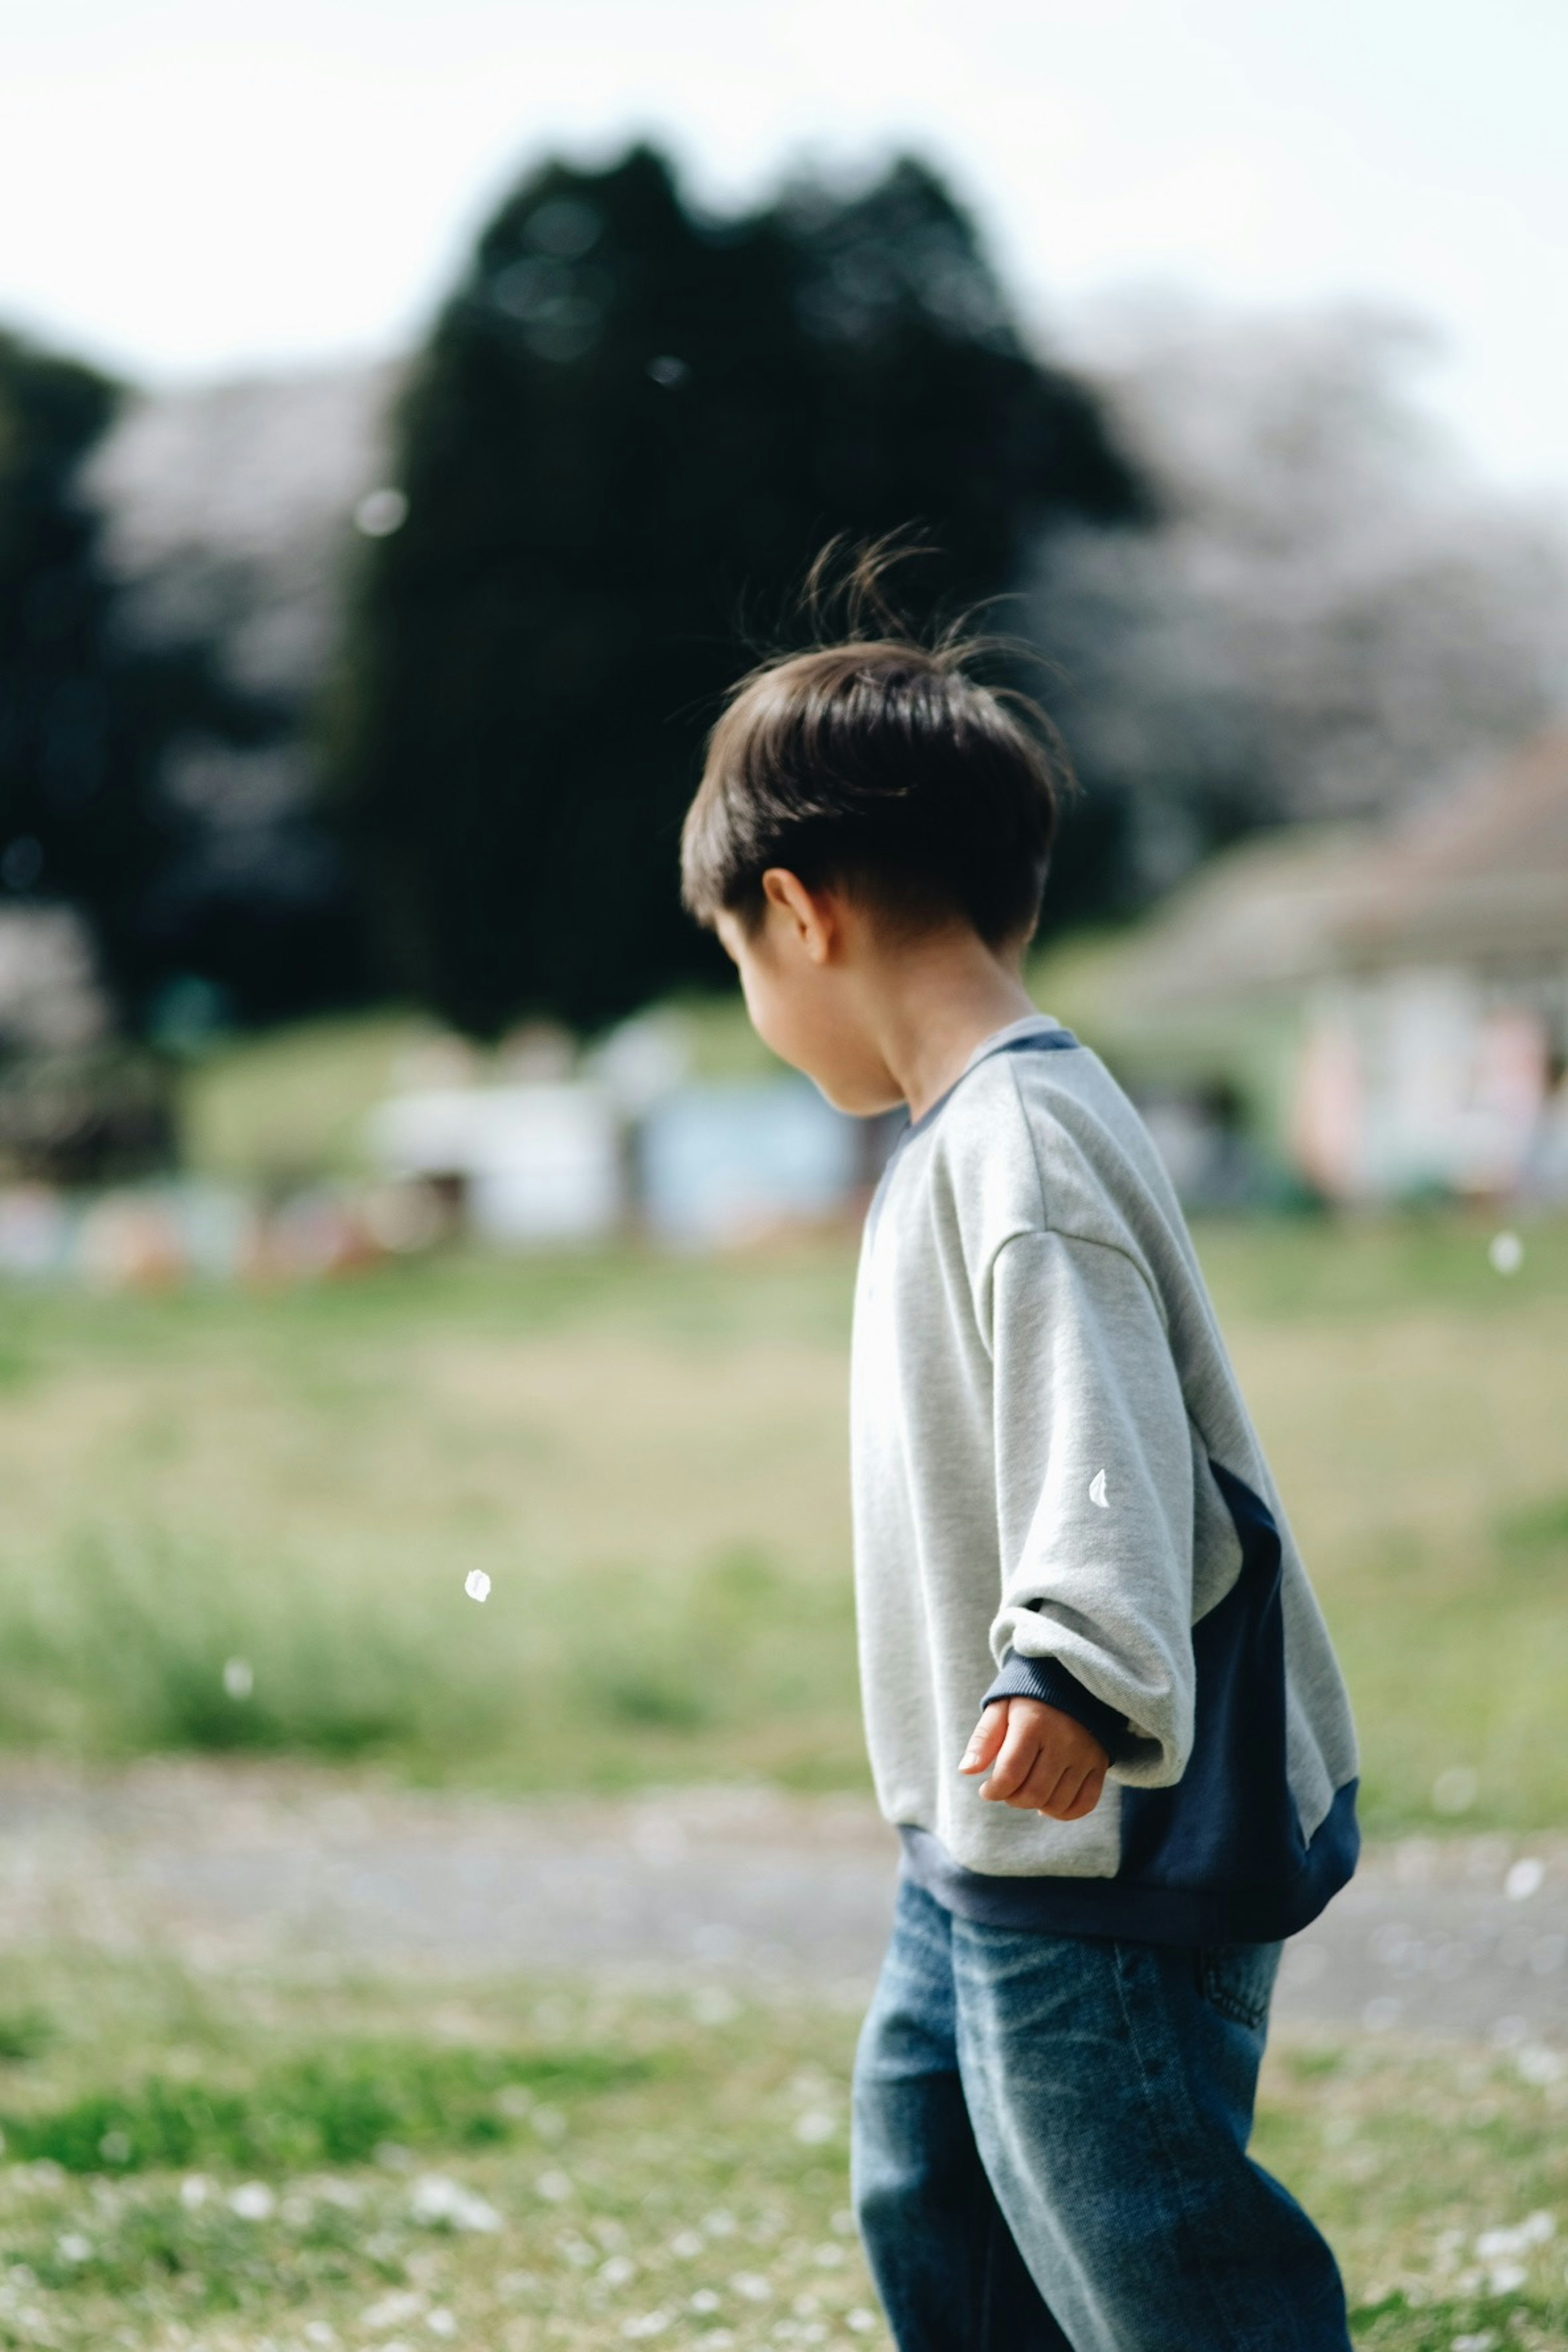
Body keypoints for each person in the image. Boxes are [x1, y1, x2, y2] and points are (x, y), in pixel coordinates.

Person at [679, 575, 1361, 2352]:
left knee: (1155, 2252)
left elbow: (1103, 1436)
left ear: (794, 912)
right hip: (982, 1836)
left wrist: (1071, 1664)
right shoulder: (973, 1132)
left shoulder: (1023, 1146)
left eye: (738, 962)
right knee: (940, 2199)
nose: (754, 995)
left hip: (1100, 1828)